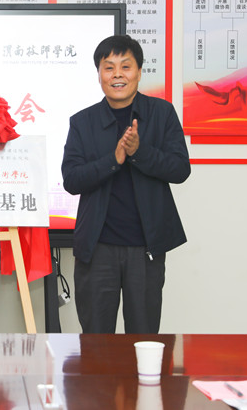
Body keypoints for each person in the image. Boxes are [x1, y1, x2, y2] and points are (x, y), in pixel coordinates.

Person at [61, 34, 190, 334]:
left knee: (143, 340)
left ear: (139, 72)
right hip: (97, 250)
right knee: (96, 343)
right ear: (99, 75)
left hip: (146, 249)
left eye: (126, 66)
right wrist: (114, 159)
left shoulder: (161, 114)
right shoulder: (83, 122)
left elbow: (180, 169)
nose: (117, 74)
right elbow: (72, 179)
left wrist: (139, 152)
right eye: (109, 67)